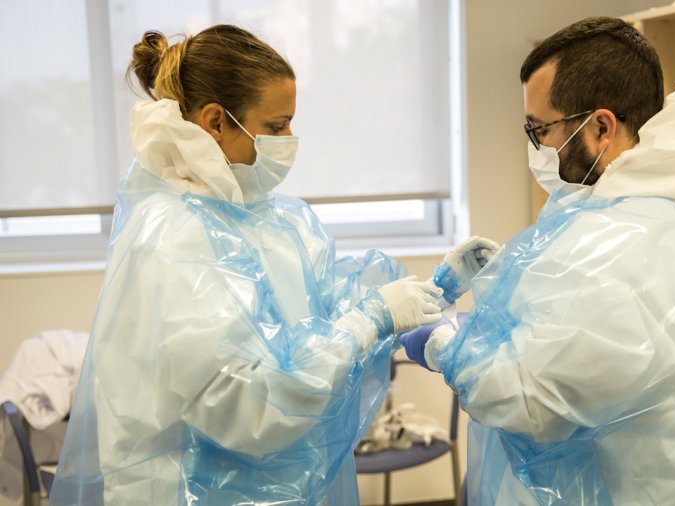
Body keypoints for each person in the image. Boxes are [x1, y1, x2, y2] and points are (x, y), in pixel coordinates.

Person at [49, 24, 492, 505]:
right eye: (276, 126)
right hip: (189, 489)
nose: (289, 139)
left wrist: (426, 294)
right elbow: (252, 404)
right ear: (215, 121)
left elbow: (322, 307)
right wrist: (372, 318)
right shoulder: (172, 238)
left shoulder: (266, 216)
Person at [403, 17, 675, 505]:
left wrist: (445, 346)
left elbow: (528, 401)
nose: (536, 147)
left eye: (541, 129)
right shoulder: (659, 195)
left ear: (600, 126)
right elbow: (591, 339)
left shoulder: (619, 242)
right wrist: (506, 289)